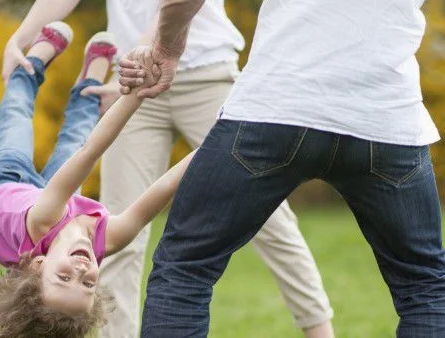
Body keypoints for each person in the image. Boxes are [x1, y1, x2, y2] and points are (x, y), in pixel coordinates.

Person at [1, 2, 335, 337]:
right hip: (133, 80)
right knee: (110, 239)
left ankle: (319, 330)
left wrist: (141, 61)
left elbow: (172, 6)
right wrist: (19, 38)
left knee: (271, 220)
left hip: (205, 74)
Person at [118, 0, 445, 337]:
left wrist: (167, 47)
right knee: (424, 287)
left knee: (185, 267)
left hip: (276, 108)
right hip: (387, 120)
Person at [0, 21, 191, 338]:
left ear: (37, 266)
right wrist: (217, 138)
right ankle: (90, 84)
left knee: (17, 116)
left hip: (6, 186)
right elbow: (164, 187)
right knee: (75, 139)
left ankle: (31, 64)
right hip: (61, 202)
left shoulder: (44, 221)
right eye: (89, 283)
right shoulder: (111, 238)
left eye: (63, 278)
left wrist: (136, 94)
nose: (80, 271)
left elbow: (93, 152)